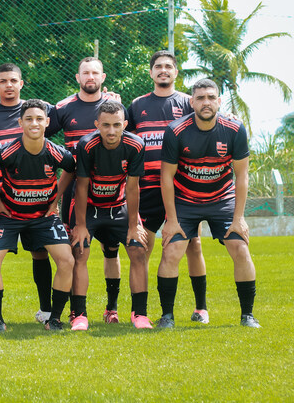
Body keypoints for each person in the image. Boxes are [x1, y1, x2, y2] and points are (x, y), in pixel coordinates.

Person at [156, 79, 259, 328]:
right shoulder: (176, 130)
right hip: (185, 201)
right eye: (200, 98)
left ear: (219, 101)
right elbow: (166, 177)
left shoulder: (235, 129)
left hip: (222, 200)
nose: (206, 102)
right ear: (191, 102)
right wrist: (171, 220)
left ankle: (247, 315)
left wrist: (239, 218)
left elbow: (242, 176)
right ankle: (167, 317)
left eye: (211, 97)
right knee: (171, 251)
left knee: (241, 249)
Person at [126, 50, 209, 323]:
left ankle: (201, 308)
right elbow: (124, 136)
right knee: (142, 248)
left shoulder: (188, 102)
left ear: (176, 72)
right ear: (151, 72)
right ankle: (140, 312)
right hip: (148, 187)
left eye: (168, 66)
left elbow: (208, 125)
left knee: (193, 244)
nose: (163, 70)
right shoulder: (137, 105)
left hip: (181, 188)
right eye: (158, 66)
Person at [0, 99, 77, 331]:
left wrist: (55, 200)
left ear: (47, 122)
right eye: (29, 119)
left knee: (67, 260)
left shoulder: (56, 152)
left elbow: (71, 169)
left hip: (43, 217)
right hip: (9, 216)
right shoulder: (7, 151)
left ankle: (54, 319)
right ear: (20, 123)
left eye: (39, 119)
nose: (34, 123)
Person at [0, 63, 55, 324]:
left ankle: (46, 310)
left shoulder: (40, 110)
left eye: (13, 80)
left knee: (40, 252)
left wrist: (107, 98)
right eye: (3, 81)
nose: (8, 85)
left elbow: (76, 112)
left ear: (21, 83)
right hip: (1, 199)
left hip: (36, 198)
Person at [47, 57, 124, 324]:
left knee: (111, 250)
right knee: (77, 249)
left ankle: (112, 309)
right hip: (76, 187)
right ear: (78, 78)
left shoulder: (115, 106)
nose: (90, 77)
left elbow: (129, 137)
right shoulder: (63, 107)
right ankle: (77, 312)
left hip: (110, 189)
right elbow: (38, 131)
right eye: (85, 73)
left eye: (95, 73)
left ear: (103, 77)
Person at [70, 100, 151, 330]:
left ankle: (140, 314)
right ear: (97, 125)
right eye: (106, 125)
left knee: (138, 249)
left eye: (117, 125)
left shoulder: (135, 145)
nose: (111, 131)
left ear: (125, 124)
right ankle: (79, 315)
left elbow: (133, 187)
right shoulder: (86, 145)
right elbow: (81, 186)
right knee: (80, 250)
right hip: (90, 207)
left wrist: (134, 225)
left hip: (118, 206)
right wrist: (81, 225)